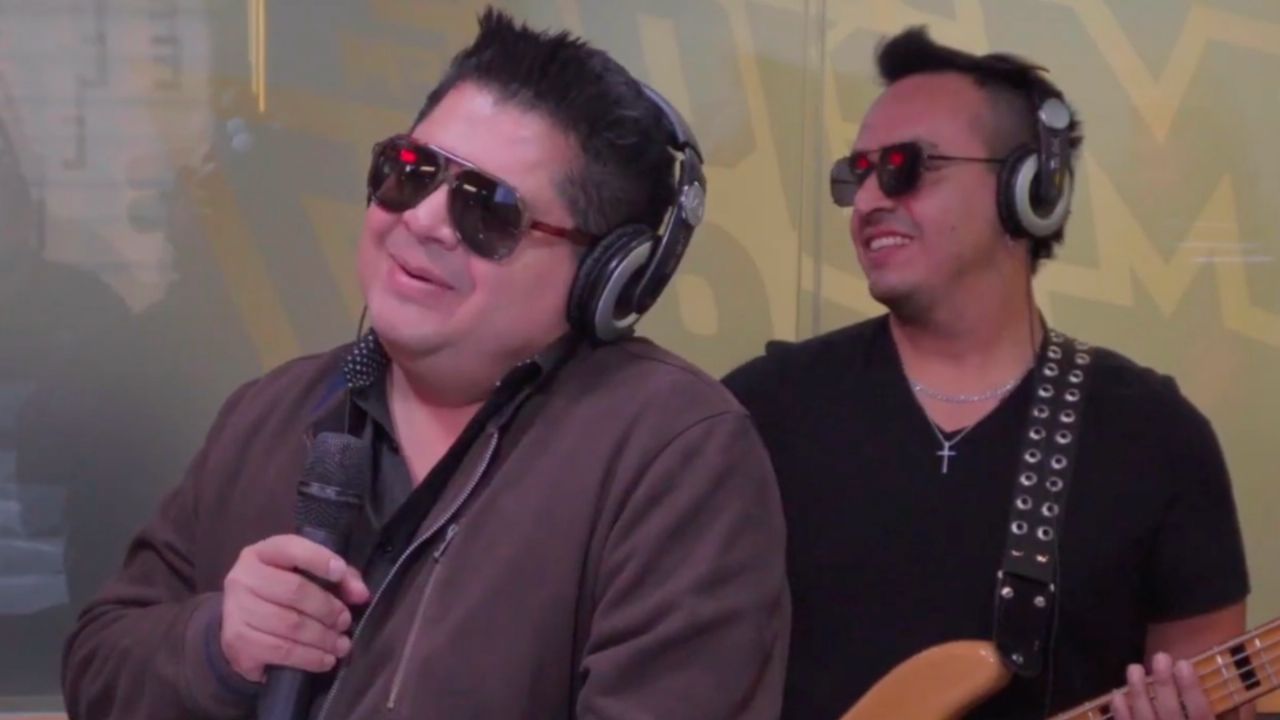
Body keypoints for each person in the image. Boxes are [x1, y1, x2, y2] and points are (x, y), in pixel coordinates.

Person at [62, 8, 789, 719]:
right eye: (410, 172)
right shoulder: (270, 412)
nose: (423, 219)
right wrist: (215, 646)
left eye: (488, 209)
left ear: (608, 276)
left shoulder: (673, 455)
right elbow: (99, 664)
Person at [722, 26, 1251, 720]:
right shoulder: (762, 410)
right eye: (858, 173)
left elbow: (1218, 688)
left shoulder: (1157, 438)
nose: (870, 199)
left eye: (906, 166)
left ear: (1030, 189)